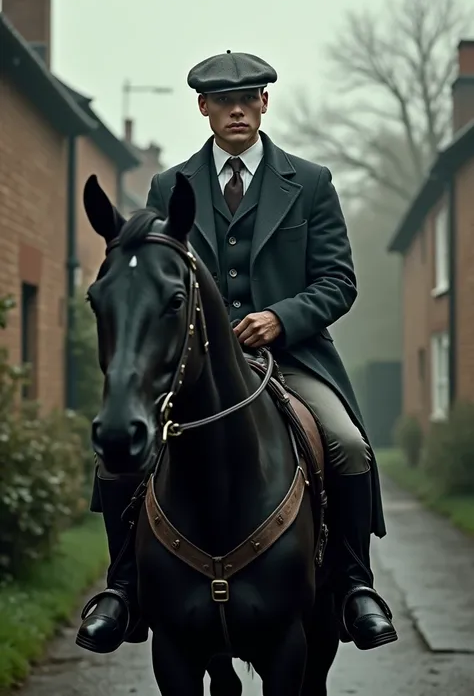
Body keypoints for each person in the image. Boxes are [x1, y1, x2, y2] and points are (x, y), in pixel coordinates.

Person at [77, 51, 397, 654]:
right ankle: (123, 591)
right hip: (192, 367)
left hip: (294, 358)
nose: (238, 109)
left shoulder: (311, 182)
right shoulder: (170, 186)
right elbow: (156, 276)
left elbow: (338, 281)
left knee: (349, 444)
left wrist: (281, 317)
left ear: (265, 103)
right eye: (224, 101)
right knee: (116, 456)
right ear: (204, 108)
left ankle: (355, 585)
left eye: (249, 98)